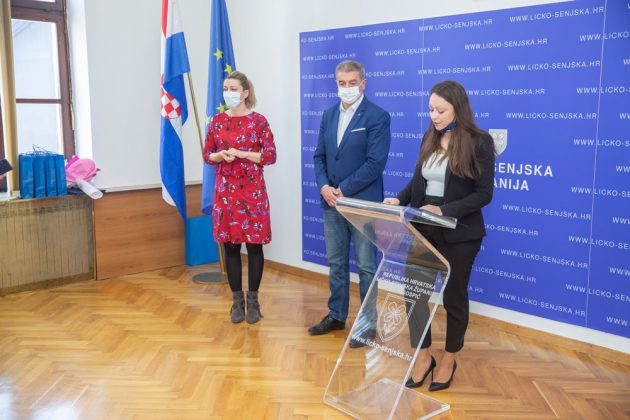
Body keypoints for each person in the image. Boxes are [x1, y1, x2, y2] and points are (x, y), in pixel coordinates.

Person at [384, 80, 495, 391]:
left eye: (440, 110)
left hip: (460, 234)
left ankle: (448, 359)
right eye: (431, 109)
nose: (433, 115)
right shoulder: (430, 137)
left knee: (454, 299)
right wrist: (399, 199)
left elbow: (484, 194)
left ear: (458, 109)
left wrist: (444, 210)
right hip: (424, 230)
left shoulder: (480, 142)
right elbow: (418, 182)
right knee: (415, 295)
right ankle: (423, 357)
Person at [309, 60, 391, 348]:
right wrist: (324, 187)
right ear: (336, 84)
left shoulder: (378, 116)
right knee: (336, 263)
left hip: (362, 205)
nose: (347, 88)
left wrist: (342, 190)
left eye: (352, 83)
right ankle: (336, 315)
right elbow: (319, 156)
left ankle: (367, 325)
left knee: (366, 266)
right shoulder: (329, 114)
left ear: (363, 84)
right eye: (342, 83)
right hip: (331, 203)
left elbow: (375, 163)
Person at [203, 71, 277, 324]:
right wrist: (220, 155)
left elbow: (270, 156)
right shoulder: (216, 121)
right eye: (226, 88)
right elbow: (207, 155)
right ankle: (237, 302)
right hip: (225, 192)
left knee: (254, 246)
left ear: (245, 92)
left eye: (233, 89)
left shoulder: (259, 121)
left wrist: (243, 154)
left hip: (252, 191)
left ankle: (253, 301)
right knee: (230, 246)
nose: (228, 93)